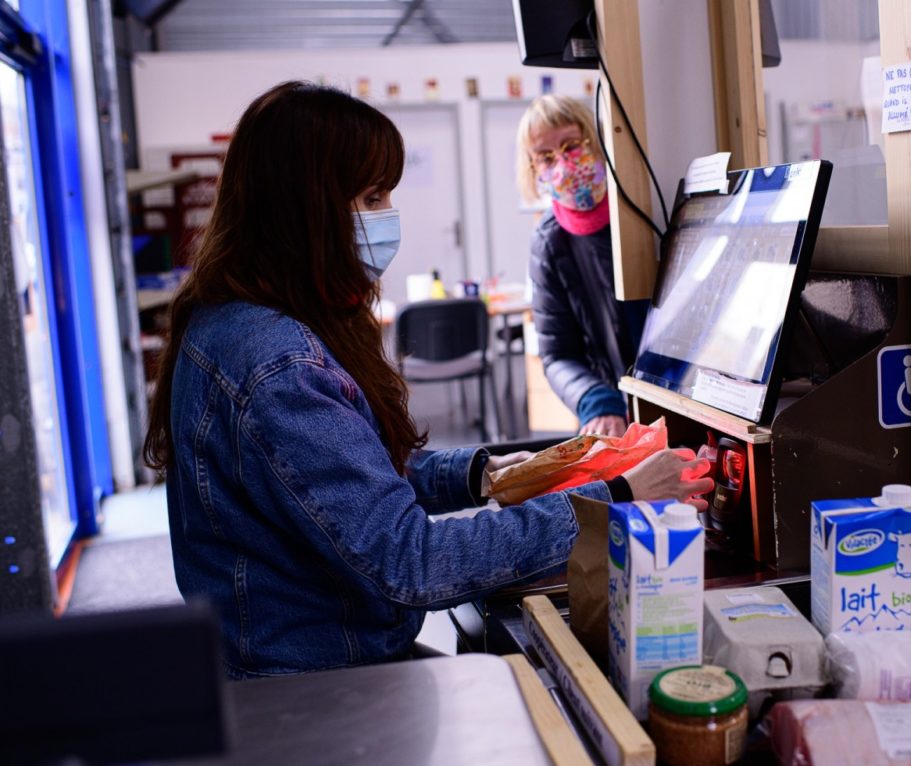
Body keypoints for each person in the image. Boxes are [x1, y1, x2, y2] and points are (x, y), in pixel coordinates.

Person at [143, 82, 711, 678]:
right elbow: (412, 563)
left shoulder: (234, 320)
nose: (388, 215)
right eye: (371, 195)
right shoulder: (279, 366)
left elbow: (341, 477)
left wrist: (482, 475)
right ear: (303, 209)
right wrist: (616, 499)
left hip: (305, 651)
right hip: (310, 679)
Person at [516, 95, 650, 437]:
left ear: (594, 138)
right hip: (612, 414)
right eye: (545, 157)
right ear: (534, 169)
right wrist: (595, 399)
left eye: (571, 145)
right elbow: (557, 353)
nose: (561, 163)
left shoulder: (643, 206)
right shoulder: (549, 244)